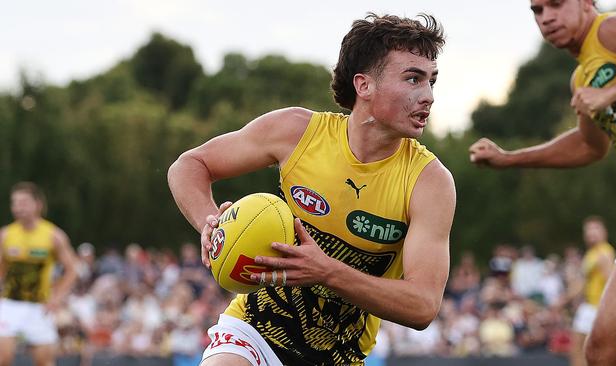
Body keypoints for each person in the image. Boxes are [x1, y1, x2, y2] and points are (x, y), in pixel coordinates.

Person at [168, 13, 455, 366]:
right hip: (253, 331)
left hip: (339, 358)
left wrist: (327, 272)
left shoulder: (430, 182)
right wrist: (209, 222)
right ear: (363, 85)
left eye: (431, 81)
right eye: (413, 79)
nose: (427, 96)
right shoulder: (296, 132)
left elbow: (423, 305)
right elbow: (189, 166)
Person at [468, 1, 616, 364]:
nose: (546, 17)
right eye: (537, 10)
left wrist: (610, 94)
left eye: (556, 4)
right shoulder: (581, 78)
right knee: (603, 350)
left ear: (586, 4)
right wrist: (510, 158)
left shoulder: (614, 28)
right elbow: (588, 145)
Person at [0, 182, 78, 366]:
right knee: (3, 358)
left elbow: (72, 270)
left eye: (24, 202)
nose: (18, 208)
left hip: (40, 307)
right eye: (15, 203)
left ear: (38, 204)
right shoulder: (5, 235)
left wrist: (57, 298)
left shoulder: (53, 236)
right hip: (10, 304)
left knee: (45, 362)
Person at [564, 216, 614, 366]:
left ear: (604, 232)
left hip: (598, 309)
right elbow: (583, 284)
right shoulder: (591, 253)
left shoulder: (604, 253)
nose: (591, 233)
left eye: (595, 229)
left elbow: (611, 281)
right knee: (579, 348)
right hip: (590, 306)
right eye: (588, 230)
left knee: (581, 348)